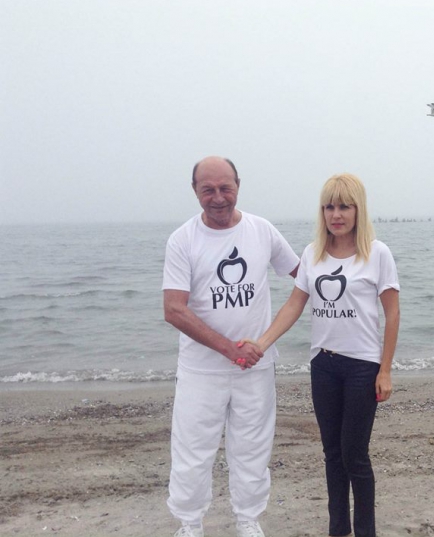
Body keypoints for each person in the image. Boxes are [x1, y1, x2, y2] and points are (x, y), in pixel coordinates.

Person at [249, 173, 400, 537]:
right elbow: (293, 305)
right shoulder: (312, 255)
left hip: (363, 367)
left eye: (345, 206)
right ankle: (338, 529)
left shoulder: (377, 253)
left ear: (358, 210)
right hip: (323, 365)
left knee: (354, 454)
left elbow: (392, 313)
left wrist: (385, 370)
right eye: (329, 206)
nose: (336, 214)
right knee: (332, 453)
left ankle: (365, 531)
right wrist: (261, 343)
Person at [162, 156, 299, 537]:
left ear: (238, 185)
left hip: (255, 368)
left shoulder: (262, 230)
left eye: (226, 188)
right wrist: (229, 349)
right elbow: (174, 309)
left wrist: (354, 271)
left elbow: (304, 277)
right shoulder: (183, 240)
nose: (218, 197)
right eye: (208, 190)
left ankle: (248, 519)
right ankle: (190, 523)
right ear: (195, 191)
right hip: (201, 371)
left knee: (253, 449)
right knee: (192, 451)